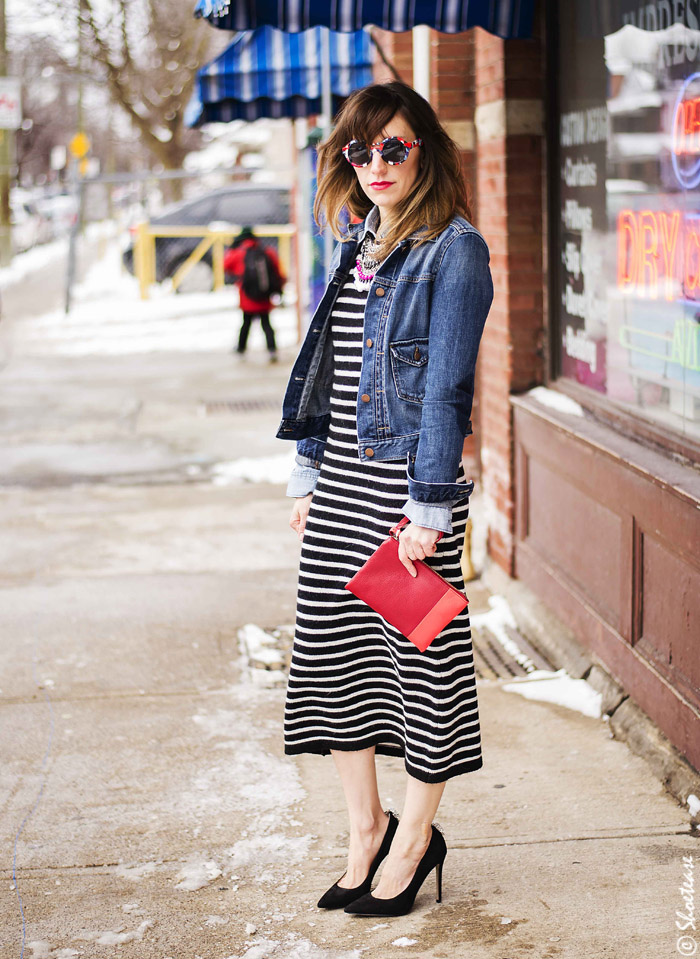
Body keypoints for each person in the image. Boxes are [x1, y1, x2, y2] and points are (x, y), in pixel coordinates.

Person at [276, 80, 493, 917]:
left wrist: (430, 509)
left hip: (409, 491)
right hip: (342, 483)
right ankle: (365, 827)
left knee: (423, 670)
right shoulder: (359, 240)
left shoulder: (455, 250)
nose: (375, 164)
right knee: (330, 663)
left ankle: (415, 841)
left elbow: (444, 392)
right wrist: (308, 470)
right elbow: (327, 362)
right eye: (359, 152)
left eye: (393, 148)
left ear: (427, 150)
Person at [223, 226, 285, 362]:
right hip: (264, 296)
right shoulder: (267, 251)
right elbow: (279, 272)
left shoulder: (239, 253)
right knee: (266, 324)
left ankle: (241, 348)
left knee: (246, 323)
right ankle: (272, 349)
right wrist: (279, 290)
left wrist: (232, 248)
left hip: (247, 298)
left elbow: (226, 265)